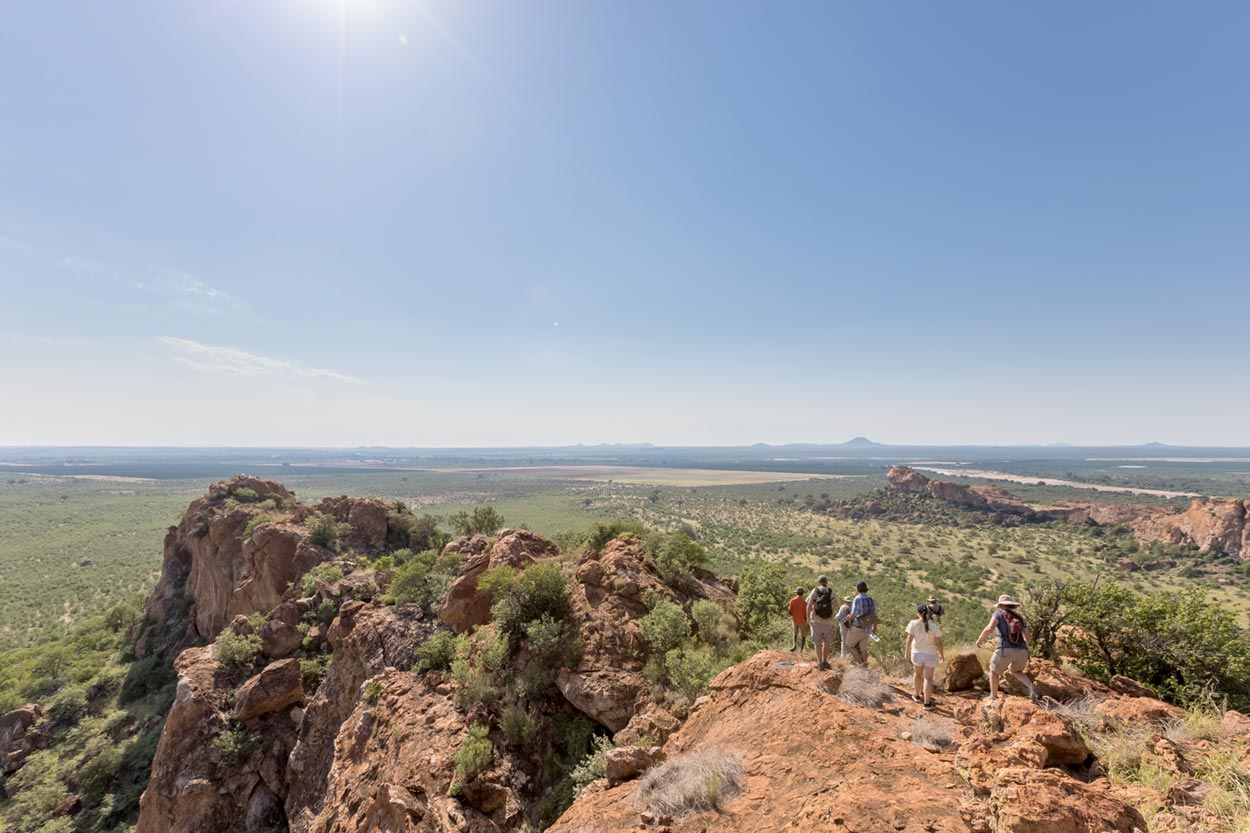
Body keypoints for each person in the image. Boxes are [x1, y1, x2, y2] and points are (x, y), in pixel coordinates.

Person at [975, 594, 1038, 701]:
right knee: (1017, 671)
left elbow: (990, 628)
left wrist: (980, 639)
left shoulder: (998, 614)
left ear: (1000, 605)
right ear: (1012, 606)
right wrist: (1024, 646)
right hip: (1022, 651)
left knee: (994, 671)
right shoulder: (1020, 618)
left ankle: (993, 696)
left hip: (1005, 649)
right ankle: (1032, 688)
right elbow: (1028, 635)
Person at [905, 604, 945, 708]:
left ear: (917, 613)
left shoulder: (913, 624)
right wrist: (941, 654)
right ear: (928, 614)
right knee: (928, 678)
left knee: (917, 674)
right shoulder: (933, 626)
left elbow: (909, 639)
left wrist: (906, 653)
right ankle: (927, 703)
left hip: (917, 653)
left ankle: (917, 695)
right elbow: (939, 643)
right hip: (930, 654)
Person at [805, 576, 837, 670]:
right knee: (827, 642)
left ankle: (819, 663)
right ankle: (825, 661)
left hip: (816, 620)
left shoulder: (815, 591)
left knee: (817, 642)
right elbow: (838, 605)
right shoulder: (832, 592)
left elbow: (809, 605)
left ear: (819, 582)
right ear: (827, 582)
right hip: (828, 621)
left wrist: (808, 618)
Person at [844, 581, 877, 666]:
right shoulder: (871, 599)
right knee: (863, 648)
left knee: (849, 645)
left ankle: (860, 663)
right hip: (868, 627)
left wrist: (849, 618)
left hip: (858, 627)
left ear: (858, 589)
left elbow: (854, 614)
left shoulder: (857, 599)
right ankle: (865, 665)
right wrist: (874, 627)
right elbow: (874, 615)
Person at [788, 587, 809, 653]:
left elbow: (790, 611)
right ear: (802, 594)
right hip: (802, 620)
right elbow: (806, 614)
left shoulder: (792, 600)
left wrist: (794, 615)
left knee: (795, 633)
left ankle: (794, 645)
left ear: (796, 593)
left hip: (795, 619)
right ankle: (801, 649)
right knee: (803, 635)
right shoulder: (805, 603)